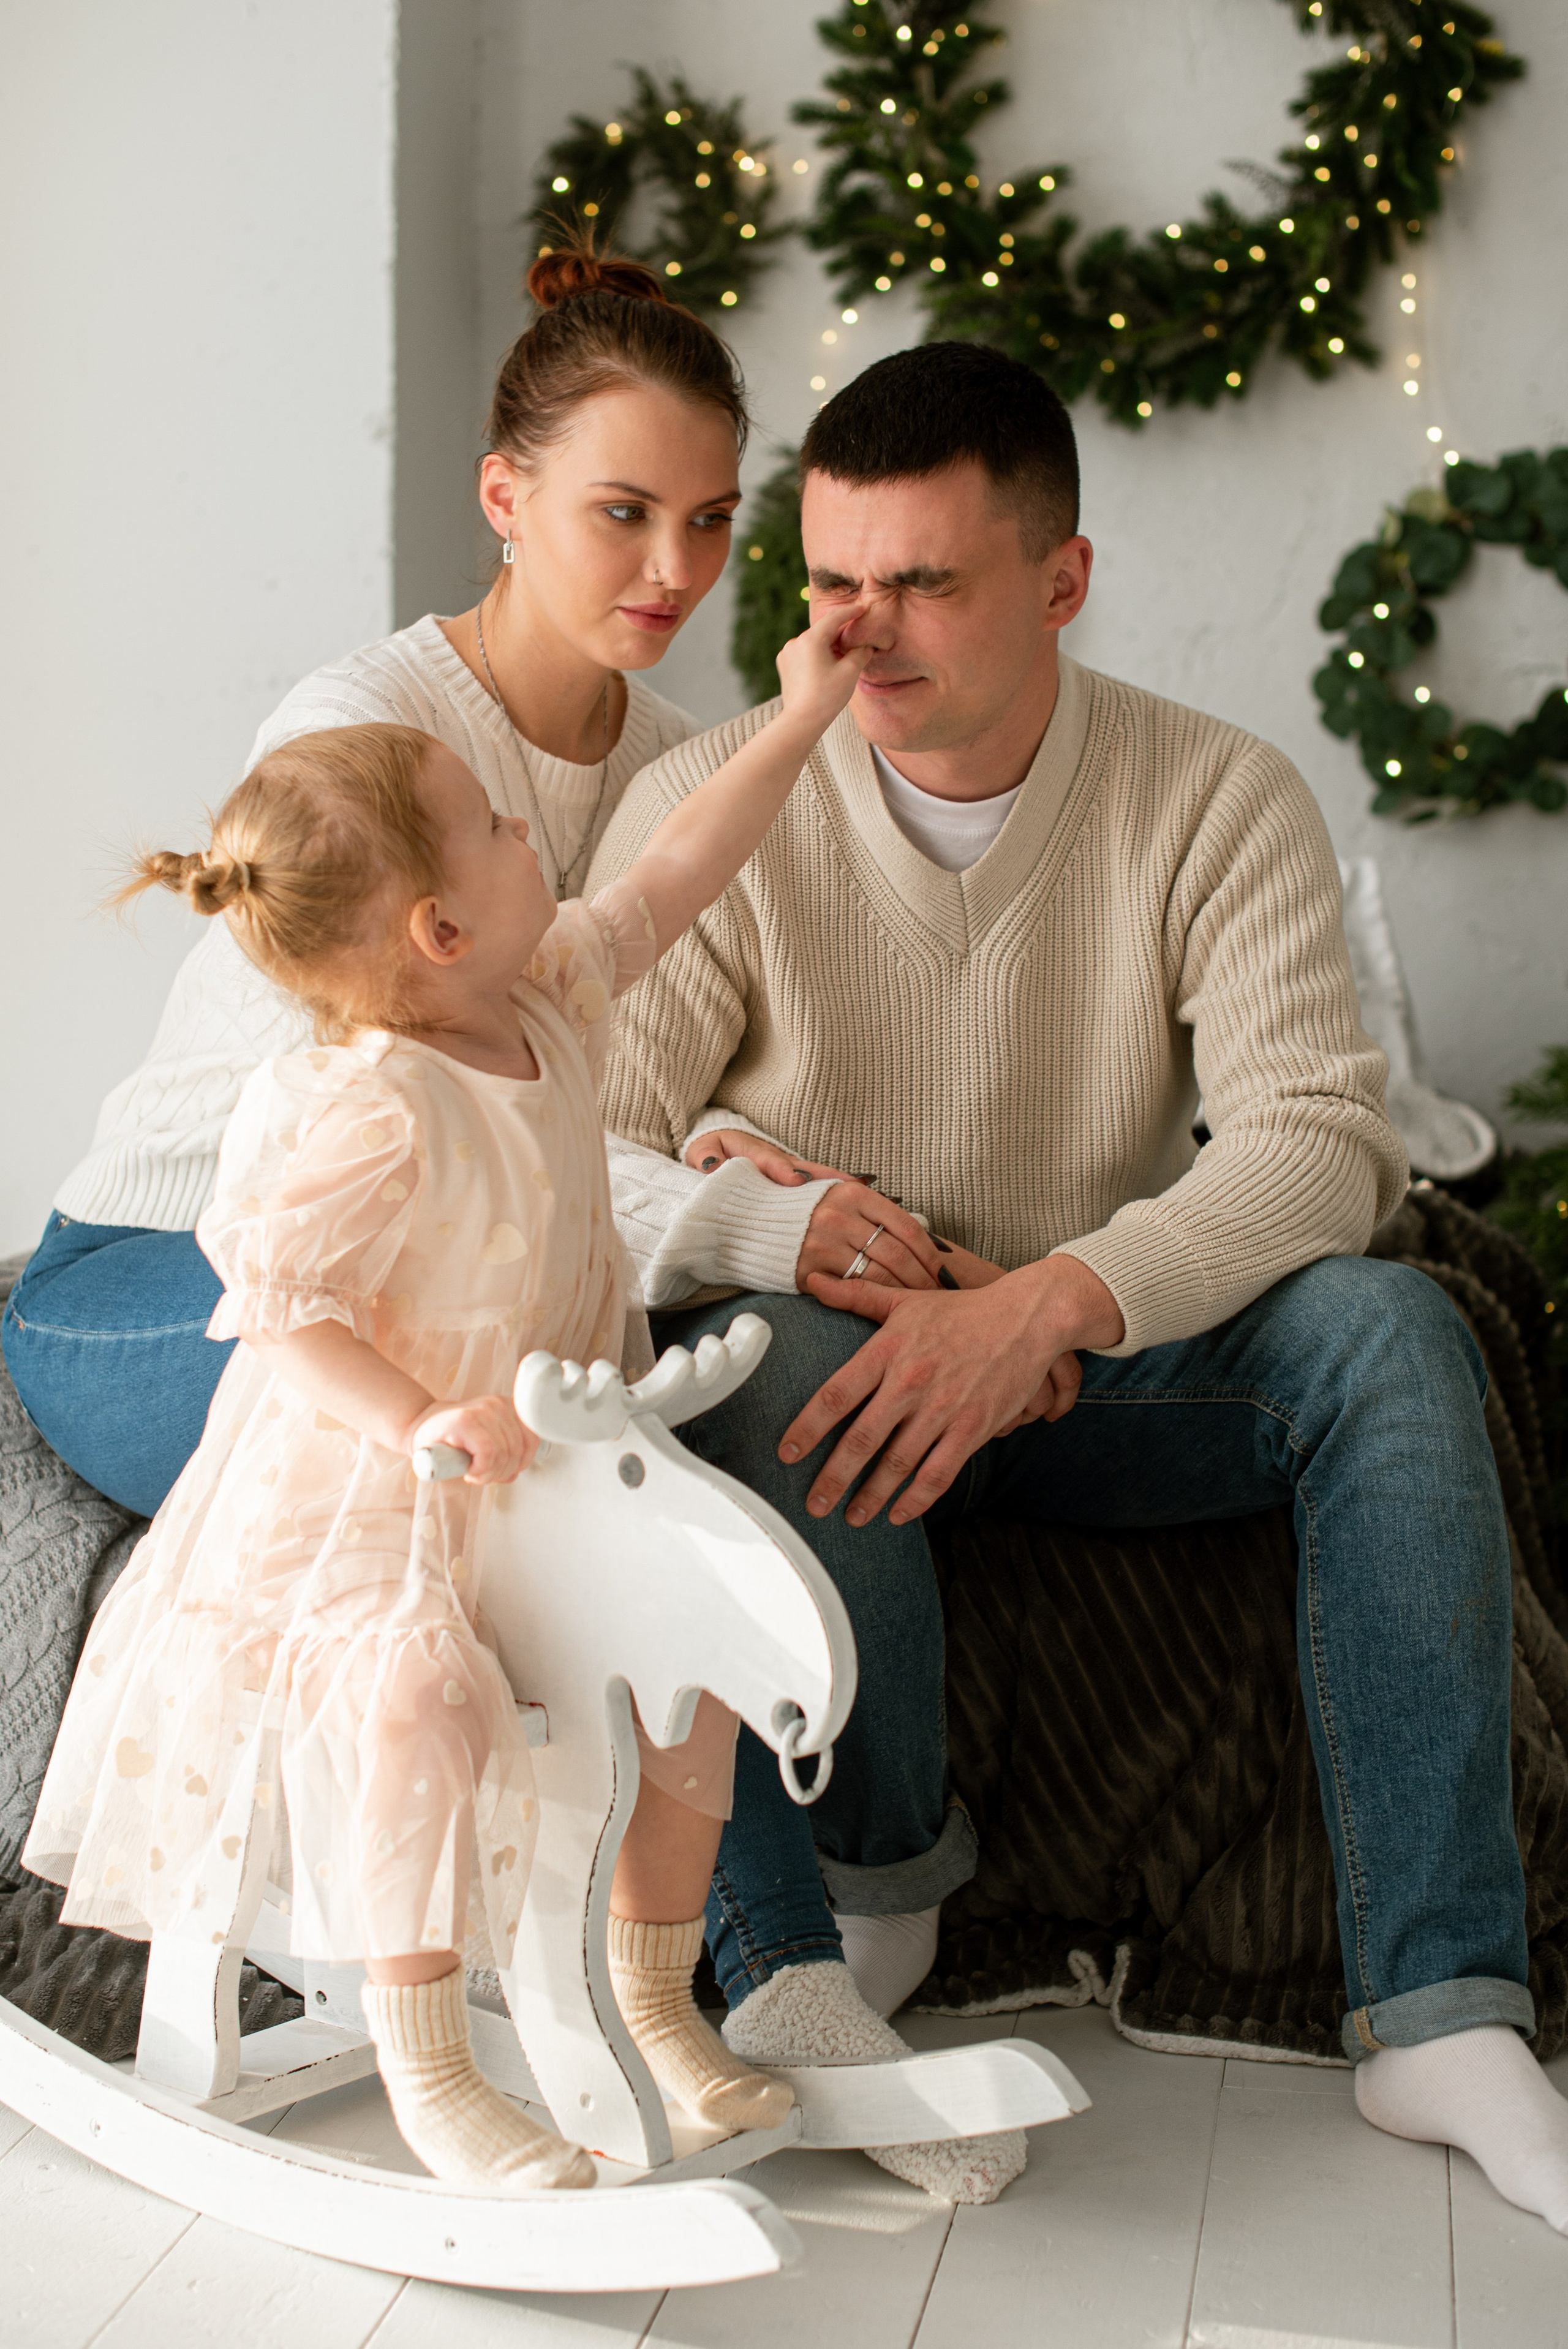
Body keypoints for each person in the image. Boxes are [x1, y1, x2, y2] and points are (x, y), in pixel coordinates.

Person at [586, 339, 1568, 2234]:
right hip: (843, 1351)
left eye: (926, 584)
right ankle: (876, 1902)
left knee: (1400, 1324)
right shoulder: (727, 800)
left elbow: (1320, 1146)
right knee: (773, 1344)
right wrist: (775, 1225)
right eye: (834, 585)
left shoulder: (1216, 796)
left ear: (1063, 577)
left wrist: (1051, 1302)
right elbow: (580, 1157)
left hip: (1100, 1365)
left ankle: (1443, 2010)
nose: (862, 638)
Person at [26, 592, 866, 2185]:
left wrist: (803, 717)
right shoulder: (372, 1105)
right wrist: (416, 1419)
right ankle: (431, 2067)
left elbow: (677, 874)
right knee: (418, 1696)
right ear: (436, 928)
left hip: (544, 1471)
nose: (524, 822)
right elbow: (277, 1312)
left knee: (689, 1714)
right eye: (491, 820)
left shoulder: (540, 993)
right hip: (382, 1498)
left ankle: (655, 1997)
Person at [3, 244, 742, 1516]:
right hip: (171, 1266)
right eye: (624, 513)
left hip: (448, 1274)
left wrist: (739, 1145)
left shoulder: (682, 767)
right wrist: (732, 1221)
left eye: (711, 519)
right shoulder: (365, 724)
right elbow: (420, 1108)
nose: (674, 569)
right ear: (505, 498)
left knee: (654, 1428)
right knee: (485, 1431)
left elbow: (650, 1066)